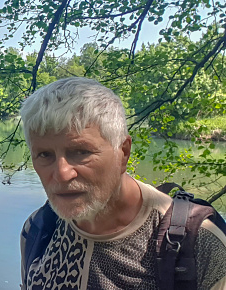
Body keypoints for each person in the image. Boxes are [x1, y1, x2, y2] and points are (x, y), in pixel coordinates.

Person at [19, 77, 226, 289]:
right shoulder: (38, 229)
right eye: (44, 154)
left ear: (123, 152)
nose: (62, 174)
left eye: (80, 152)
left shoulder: (201, 246)